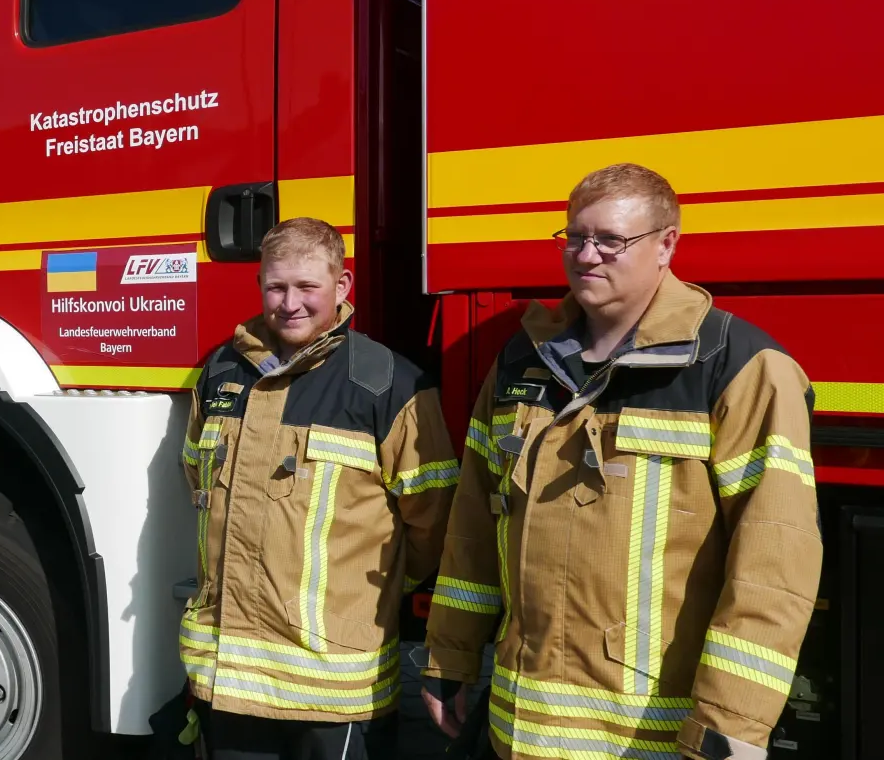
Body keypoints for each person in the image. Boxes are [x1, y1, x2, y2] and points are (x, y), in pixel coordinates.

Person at [422, 163, 822, 760]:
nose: (587, 255)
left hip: (646, 740)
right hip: (520, 730)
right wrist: (450, 654)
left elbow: (773, 565)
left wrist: (728, 729)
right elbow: (475, 526)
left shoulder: (740, 366)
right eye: (575, 237)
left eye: (611, 239)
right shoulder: (520, 361)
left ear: (666, 245)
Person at [180, 217, 459, 760]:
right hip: (231, 680)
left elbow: (432, 521)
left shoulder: (387, 382)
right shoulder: (221, 371)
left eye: (307, 287)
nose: (290, 303)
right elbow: (198, 480)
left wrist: (357, 600)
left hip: (335, 689)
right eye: (276, 287)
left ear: (342, 285)